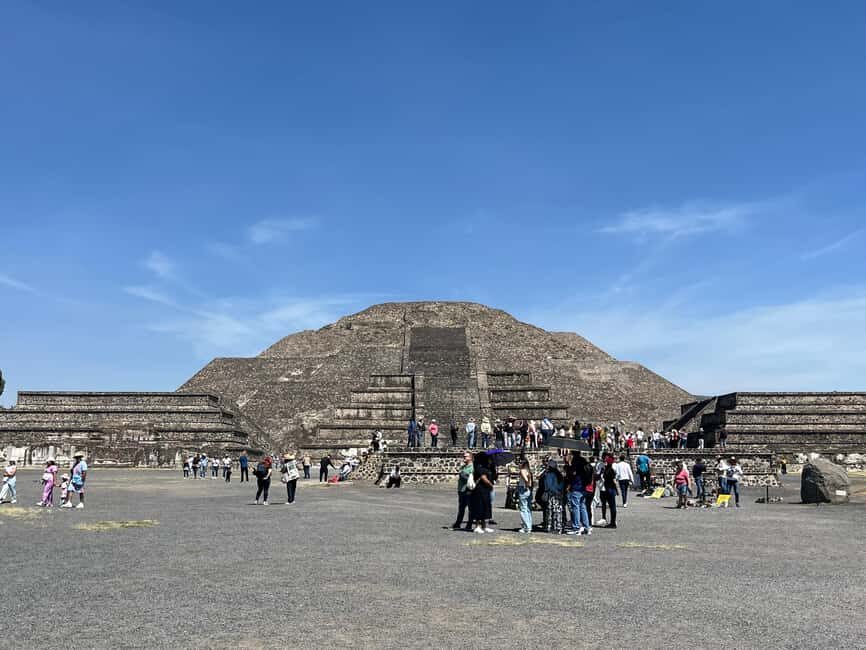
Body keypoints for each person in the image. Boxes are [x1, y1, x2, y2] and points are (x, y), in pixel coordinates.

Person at [565, 455, 591, 536]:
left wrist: (569, 465)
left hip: (576, 488)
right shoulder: (585, 468)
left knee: (575, 507)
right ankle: (586, 526)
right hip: (583, 488)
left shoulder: (576, 469)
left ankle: (576, 527)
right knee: (582, 507)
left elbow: (571, 476)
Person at [470, 453, 495, 533]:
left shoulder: (487, 467)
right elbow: (483, 478)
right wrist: (491, 485)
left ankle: (484, 526)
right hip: (479, 490)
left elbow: (493, 476)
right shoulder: (478, 467)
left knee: (486, 507)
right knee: (479, 507)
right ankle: (477, 526)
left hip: (486, 490)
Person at [452, 452, 474, 530]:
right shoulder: (464, 466)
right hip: (461, 489)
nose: (464, 457)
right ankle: (458, 523)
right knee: (461, 508)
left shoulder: (472, 467)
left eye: (466, 456)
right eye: (464, 456)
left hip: (468, 490)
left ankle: (469, 524)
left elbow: (471, 478)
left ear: (470, 457)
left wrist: (463, 474)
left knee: (470, 508)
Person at [543, 459, 565, 533]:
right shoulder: (559, 474)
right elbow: (561, 485)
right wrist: (559, 491)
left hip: (552, 495)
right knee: (558, 512)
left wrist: (555, 492)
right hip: (559, 495)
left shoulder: (549, 474)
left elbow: (549, 486)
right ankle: (558, 526)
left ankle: (551, 526)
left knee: (550, 512)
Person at [600, 456, 618, 528]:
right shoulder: (611, 470)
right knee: (613, 506)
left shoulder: (606, 470)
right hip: (611, 489)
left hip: (607, 488)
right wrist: (617, 490)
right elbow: (614, 481)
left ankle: (612, 522)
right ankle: (613, 521)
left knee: (611, 506)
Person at [516, 460, 534, 534]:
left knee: (523, 509)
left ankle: (526, 527)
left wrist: (528, 481)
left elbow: (527, 481)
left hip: (523, 489)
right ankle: (529, 526)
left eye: (520, 462)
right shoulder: (529, 471)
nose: (519, 463)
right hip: (528, 490)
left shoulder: (522, 471)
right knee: (528, 509)